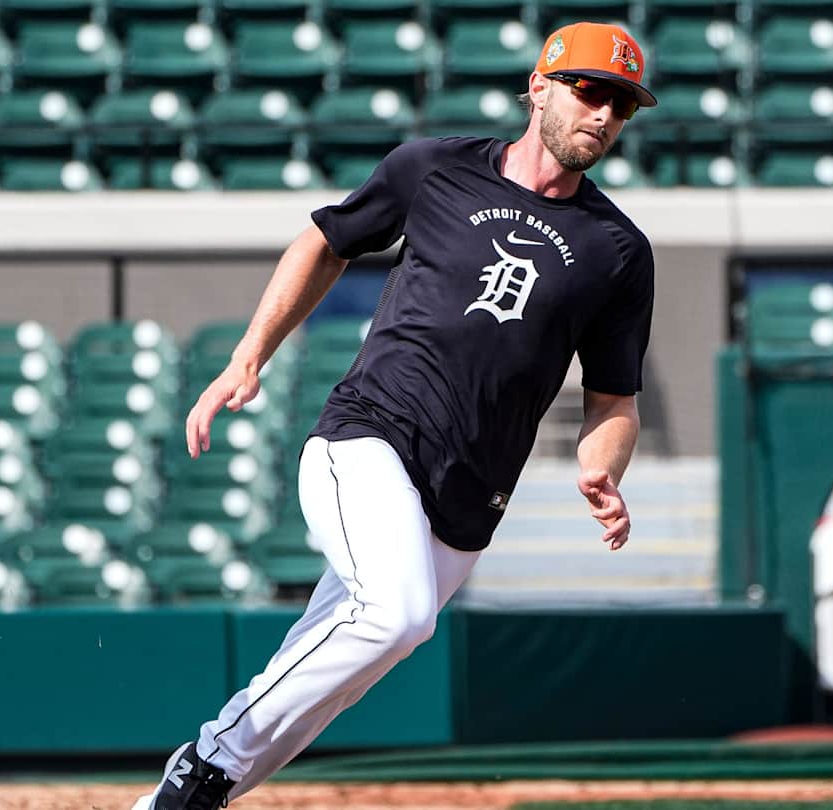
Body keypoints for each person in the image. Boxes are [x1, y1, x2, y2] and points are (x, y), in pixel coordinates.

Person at [132, 20, 657, 810]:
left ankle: (178, 804)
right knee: (398, 616)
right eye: (590, 90)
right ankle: (203, 766)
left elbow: (614, 398)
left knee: (335, 672)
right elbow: (327, 242)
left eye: (623, 104)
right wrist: (249, 355)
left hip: (471, 496)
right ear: (539, 87)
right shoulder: (437, 168)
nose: (605, 114)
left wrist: (601, 468)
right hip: (368, 438)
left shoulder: (618, 249)